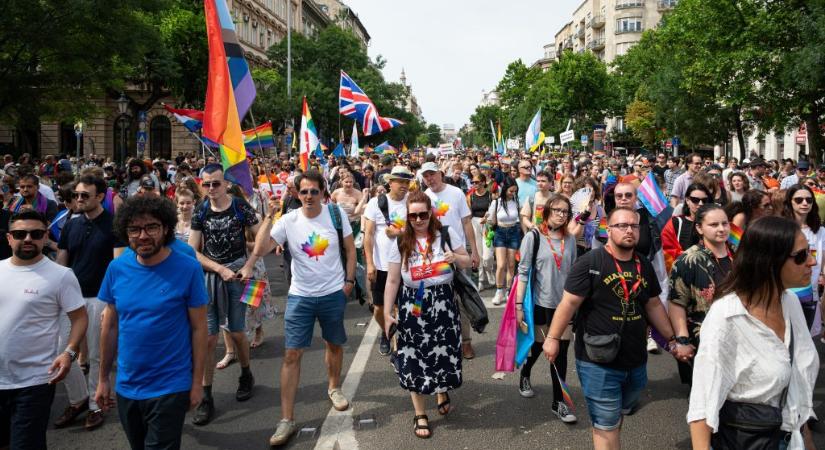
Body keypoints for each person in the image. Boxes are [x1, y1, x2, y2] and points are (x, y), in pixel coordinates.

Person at [543, 207, 679, 450]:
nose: (629, 230)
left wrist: (672, 339)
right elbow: (568, 303)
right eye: (622, 226)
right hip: (598, 360)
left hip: (635, 360)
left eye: (634, 226)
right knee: (606, 423)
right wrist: (553, 337)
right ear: (608, 230)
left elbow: (654, 304)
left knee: (615, 418)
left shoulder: (643, 264)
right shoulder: (591, 262)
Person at [688, 216, 819, 450]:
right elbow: (702, 403)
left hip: (790, 437)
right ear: (769, 261)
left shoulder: (790, 303)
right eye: (800, 256)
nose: (811, 261)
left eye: (810, 252)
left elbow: (796, 387)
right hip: (746, 440)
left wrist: (807, 440)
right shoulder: (728, 316)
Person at [95, 196, 208, 450]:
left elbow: (200, 328)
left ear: (166, 228)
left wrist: (197, 383)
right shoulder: (117, 268)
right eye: (134, 229)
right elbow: (110, 325)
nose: (143, 236)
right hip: (127, 387)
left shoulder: (188, 268)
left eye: (151, 227)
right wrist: (103, 379)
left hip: (171, 386)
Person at [252, 170, 356, 447]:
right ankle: (286, 419)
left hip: (333, 293)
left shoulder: (336, 214)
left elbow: (350, 248)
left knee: (334, 344)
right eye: (304, 192)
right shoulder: (288, 220)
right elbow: (261, 249)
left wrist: (348, 281)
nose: (309, 196)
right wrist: (268, 217)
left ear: (323, 192)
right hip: (300, 297)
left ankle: (334, 387)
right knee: (291, 355)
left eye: (314, 191)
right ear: (297, 195)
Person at [382, 191, 471, 439]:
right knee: (413, 354)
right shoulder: (400, 241)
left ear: (430, 212)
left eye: (423, 214)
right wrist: (388, 313)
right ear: (407, 216)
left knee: (443, 352)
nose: (419, 219)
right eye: (413, 215)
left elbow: (468, 261)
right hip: (414, 303)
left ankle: (441, 390)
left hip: (443, 300)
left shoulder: (446, 234)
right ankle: (420, 412)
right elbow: (392, 280)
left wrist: (456, 257)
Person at [0, 211, 87, 450]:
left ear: (45, 237)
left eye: (35, 234)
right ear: (9, 238)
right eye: (20, 234)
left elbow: (79, 318)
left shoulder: (61, 276)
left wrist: (69, 353)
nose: (28, 238)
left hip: (35, 381)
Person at [187, 164, 261, 425]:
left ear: (226, 183)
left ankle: (245, 374)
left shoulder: (241, 207)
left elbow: (261, 236)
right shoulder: (201, 210)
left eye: (215, 184)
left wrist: (249, 264)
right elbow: (192, 251)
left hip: (239, 277)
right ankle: (206, 396)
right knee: (208, 337)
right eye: (206, 184)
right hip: (209, 278)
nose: (210, 189)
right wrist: (217, 268)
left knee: (239, 331)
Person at [55, 175, 117, 431]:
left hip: (100, 298)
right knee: (59, 352)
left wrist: (112, 305)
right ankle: (79, 399)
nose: (78, 199)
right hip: (69, 300)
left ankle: (95, 404)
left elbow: (118, 266)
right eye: (77, 195)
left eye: (84, 195)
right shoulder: (71, 224)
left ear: (100, 197)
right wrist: (54, 294)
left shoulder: (114, 225)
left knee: (96, 356)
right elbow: (62, 260)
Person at [515, 193, 578, 423]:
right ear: (547, 211)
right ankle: (525, 371)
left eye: (565, 212)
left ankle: (559, 402)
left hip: (565, 306)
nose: (561, 215)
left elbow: (572, 272)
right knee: (541, 348)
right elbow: (522, 273)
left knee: (560, 354)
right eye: (557, 210)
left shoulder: (570, 239)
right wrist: (519, 305)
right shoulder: (534, 237)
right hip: (541, 304)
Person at [667, 204, 733, 385]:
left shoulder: (738, 255)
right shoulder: (688, 260)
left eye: (725, 223)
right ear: (699, 228)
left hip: (737, 339)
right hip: (704, 340)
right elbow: (676, 302)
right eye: (714, 225)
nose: (721, 229)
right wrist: (682, 340)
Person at [420, 161, 480, 359]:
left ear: (440, 173)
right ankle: (443, 341)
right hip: (434, 257)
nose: (429, 179)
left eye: (432, 175)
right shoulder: (424, 197)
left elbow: (466, 222)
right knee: (438, 300)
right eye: (425, 176)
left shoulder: (456, 193)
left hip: (457, 252)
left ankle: (466, 342)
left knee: (462, 299)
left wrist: (474, 251)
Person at [363, 166, 412, 355]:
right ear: (390, 182)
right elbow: (368, 235)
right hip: (381, 266)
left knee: (401, 306)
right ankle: (385, 331)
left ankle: (398, 348)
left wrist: (399, 232)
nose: (404, 185)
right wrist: (370, 263)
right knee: (379, 308)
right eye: (400, 181)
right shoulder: (376, 203)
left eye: (407, 182)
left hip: (405, 264)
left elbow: (422, 227)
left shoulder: (413, 201)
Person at [781, 184, 825, 333]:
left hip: (810, 291)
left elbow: (822, 258)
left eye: (809, 200)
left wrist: (822, 276)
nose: (805, 203)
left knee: (806, 337)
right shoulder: (781, 229)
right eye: (799, 200)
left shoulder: (820, 231)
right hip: (786, 291)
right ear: (790, 202)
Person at [662, 183, 711, 269]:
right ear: (687, 200)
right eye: (695, 200)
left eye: (704, 200)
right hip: (683, 273)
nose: (700, 203)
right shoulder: (676, 222)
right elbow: (666, 252)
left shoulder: (717, 222)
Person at [489, 177, 522, 305]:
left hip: (514, 232)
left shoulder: (516, 202)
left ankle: (509, 291)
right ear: (505, 190)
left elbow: (519, 218)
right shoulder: (496, 202)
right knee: (501, 264)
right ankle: (499, 291)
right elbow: (491, 220)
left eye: (515, 191)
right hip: (500, 233)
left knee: (511, 265)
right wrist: (487, 220)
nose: (513, 194)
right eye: (511, 191)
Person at [468, 173, 495, 291]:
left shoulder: (491, 196)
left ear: (484, 182)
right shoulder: (470, 196)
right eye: (473, 182)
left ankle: (489, 271)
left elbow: (494, 210)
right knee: (478, 253)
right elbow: (468, 213)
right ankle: (480, 279)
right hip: (475, 224)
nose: (474, 184)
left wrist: (488, 217)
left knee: (488, 255)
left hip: (487, 224)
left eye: (477, 182)